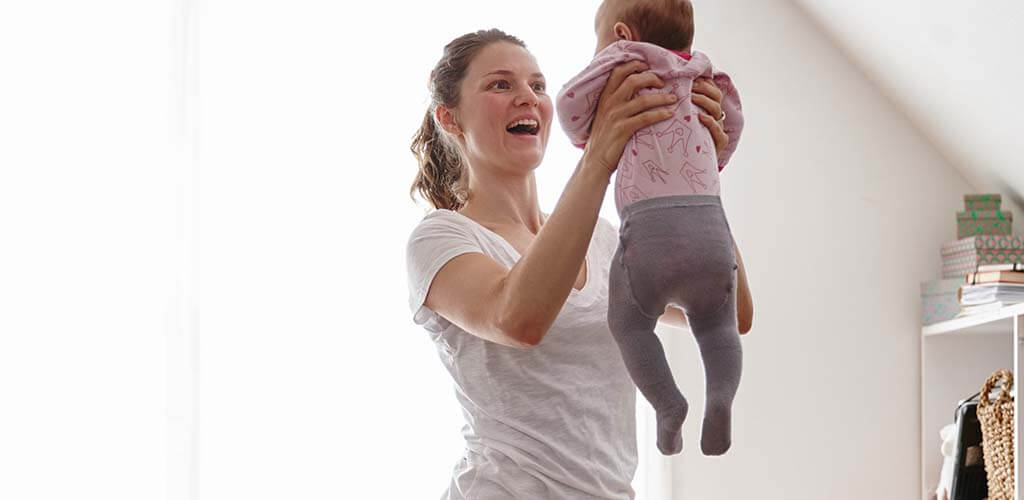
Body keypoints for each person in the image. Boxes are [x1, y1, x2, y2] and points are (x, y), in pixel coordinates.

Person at [406, 28, 753, 500]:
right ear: (450, 118)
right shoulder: (441, 237)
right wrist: (600, 155)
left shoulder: (605, 239)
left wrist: (698, 175)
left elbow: (731, 313)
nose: (527, 98)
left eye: (538, 85)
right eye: (500, 85)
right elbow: (518, 320)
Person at [555, 0, 745, 457]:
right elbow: (734, 121)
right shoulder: (707, 75)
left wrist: (590, 136)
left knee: (629, 325)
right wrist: (715, 158)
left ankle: (668, 404)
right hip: (710, 229)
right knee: (719, 325)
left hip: (649, 235)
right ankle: (719, 398)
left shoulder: (622, 62)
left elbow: (567, 105)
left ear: (621, 34)